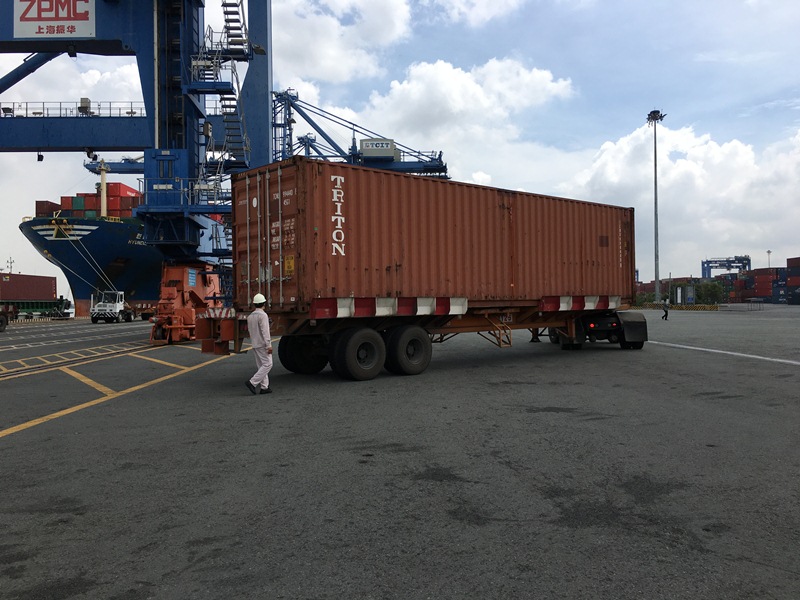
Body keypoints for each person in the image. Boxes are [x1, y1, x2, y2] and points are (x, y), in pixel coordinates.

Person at [246, 293, 273, 394]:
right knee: (268, 364)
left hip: (255, 343)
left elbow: (250, 331)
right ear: (264, 304)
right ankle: (252, 382)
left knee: (261, 365)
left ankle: (264, 387)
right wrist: (269, 345)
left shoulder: (250, 316)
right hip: (262, 344)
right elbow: (265, 332)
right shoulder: (263, 315)